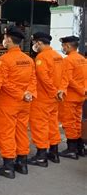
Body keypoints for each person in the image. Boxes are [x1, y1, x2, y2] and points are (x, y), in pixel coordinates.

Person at [0, 26, 36, 178]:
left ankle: (8, 166)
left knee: (6, 132)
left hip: (10, 103)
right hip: (25, 103)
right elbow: (33, 80)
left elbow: (4, 83)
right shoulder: (28, 60)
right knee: (22, 131)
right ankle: (22, 163)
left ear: (8, 39)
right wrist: (28, 93)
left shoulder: (4, 60)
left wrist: (22, 94)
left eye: (5, 38)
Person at [27, 32, 63, 166]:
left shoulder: (42, 57)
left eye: (34, 43)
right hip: (55, 98)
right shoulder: (58, 56)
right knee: (52, 123)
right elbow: (64, 77)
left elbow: (44, 78)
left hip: (43, 97)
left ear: (39, 43)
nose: (34, 45)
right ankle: (54, 152)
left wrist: (53, 91)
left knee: (39, 125)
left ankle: (41, 155)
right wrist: (59, 91)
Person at [57, 35, 86, 159]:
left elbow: (67, 79)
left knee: (68, 122)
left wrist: (61, 91)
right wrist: (83, 90)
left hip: (70, 96)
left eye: (63, 46)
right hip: (81, 96)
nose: (63, 48)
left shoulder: (68, 60)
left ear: (68, 46)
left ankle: (71, 149)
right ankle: (80, 147)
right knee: (76, 121)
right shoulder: (83, 59)